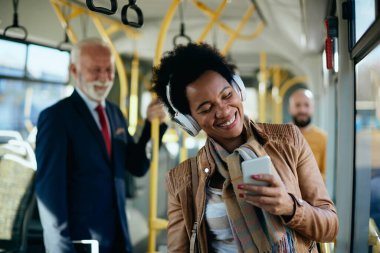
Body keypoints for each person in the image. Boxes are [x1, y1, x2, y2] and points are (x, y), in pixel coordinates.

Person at [152, 43, 338, 252]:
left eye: (227, 95)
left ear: (239, 89)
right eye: (206, 108)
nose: (223, 111)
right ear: (190, 122)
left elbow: (330, 227)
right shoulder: (182, 181)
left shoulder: (289, 141)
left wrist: (289, 207)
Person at [35, 38, 167, 253]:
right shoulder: (57, 118)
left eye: (109, 70)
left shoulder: (115, 114)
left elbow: (136, 165)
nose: (105, 78)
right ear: (74, 70)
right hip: (81, 243)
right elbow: (50, 194)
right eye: (96, 70)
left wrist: (152, 127)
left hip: (118, 238)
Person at [288, 89, 328, 181]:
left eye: (307, 105)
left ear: (313, 108)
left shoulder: (323, 138)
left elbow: (326, 174)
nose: (302, 110)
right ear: (290, 108)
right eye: (297, 105)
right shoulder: (278, 135)